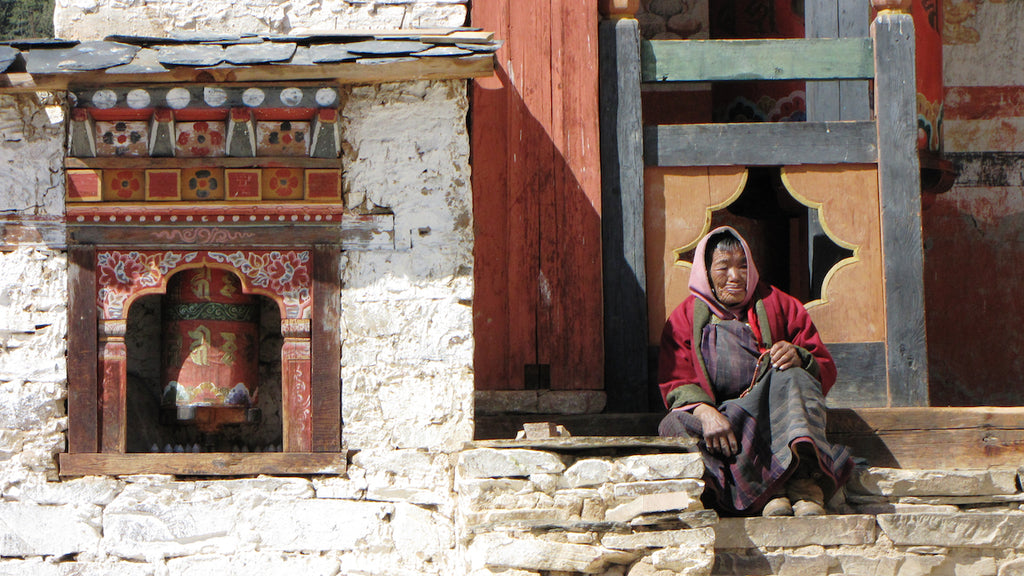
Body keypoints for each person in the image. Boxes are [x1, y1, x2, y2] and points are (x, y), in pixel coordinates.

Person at [657, 226, 854, 517]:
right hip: (726, 423)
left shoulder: (782, 305)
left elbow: (822, 365)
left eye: (743, 266)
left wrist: (799, 356)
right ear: (706, 272)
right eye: (724, 267)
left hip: (773, 416)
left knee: (795, 375)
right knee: (672, 427)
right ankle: (765, 493)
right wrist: (704, 412)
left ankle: (802, 484)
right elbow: (675, 380)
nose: (735, 276)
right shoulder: (685, 317)